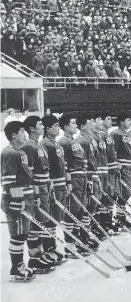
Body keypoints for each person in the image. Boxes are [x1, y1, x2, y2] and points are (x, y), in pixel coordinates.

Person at [20, 116, 57, 273]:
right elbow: (29, 172)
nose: (43, 127)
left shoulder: (39, 146)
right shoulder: (29, 146)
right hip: (36, 190)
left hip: (44, 188)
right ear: (32, 128)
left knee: (42, 222)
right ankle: (34, 257)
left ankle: (40, 254)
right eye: (40, 124)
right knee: (35, 224)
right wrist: (34, 195)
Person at [2, 121, 36, 281]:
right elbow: (8, 181)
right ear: (13, 135)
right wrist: (17, 200)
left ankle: (20, 265)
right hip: (16, 201)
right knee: (18, 235)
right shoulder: (9, 153)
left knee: (23, 233)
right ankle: (16, 267)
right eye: (22, 131)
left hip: (25, 199)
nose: (25, 134)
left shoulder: (21, 153)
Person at [58, 114, 91, 258]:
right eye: (73, 123)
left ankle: (77, 240)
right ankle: (69, 244)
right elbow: (64, 165)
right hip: (74, 179)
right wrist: (69, 181)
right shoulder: (64, 142)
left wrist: (87, 178)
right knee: (72, 210)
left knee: (81, 210)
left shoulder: (74, 141)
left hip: (82, 177)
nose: (76, 126)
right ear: (65, 126)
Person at [40, 115, 68, 264]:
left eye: (58, 125)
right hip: (52, 185)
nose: (58, 128)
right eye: (55, 125)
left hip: (61, 184)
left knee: (56, 218)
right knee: (50, 218)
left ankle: (52, 247)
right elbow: (46, 168)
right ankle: (48, 248)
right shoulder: (45, 145)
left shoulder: (56, 144)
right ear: (47, 128)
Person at [76, 113, 102, 244]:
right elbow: (85, 163)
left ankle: (89, 231)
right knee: (88, 206)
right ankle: (84, 235)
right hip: (88, 177)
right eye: (89, 123)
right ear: (83, 126)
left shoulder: (90, 140)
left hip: (94, 175)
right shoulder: (81, 141)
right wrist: (89, 179)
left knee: (93, 205)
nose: (92, 124)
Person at [96, 112, 120, 232]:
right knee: (106, 197)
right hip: (107, 171)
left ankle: (108, 220)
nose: (111, 121)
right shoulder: (102, 136)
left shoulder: (108, 135)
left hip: (112, 170)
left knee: (112, 196)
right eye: (108, 118)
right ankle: (104, 221)